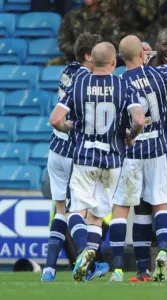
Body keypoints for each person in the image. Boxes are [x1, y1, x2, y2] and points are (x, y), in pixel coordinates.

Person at [49, 41, 145, 282]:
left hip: (84, 158)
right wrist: (130, 136)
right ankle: (89, 259)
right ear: (114, 62)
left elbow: (55, 119)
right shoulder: (123, 83)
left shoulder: (80, 82)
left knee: (75, 212)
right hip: (113, 160)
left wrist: (69, 126)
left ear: (92, 60)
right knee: (97, 217)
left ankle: (83, 252)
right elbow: (140, 120)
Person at [109, 35, 167, 282]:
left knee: (126, 208)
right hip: (159, 147)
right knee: (160, 204)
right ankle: (164, 253)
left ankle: (124, 269)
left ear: (120, 58)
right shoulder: (159, 74)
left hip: (133, 150)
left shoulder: (120, 82)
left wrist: (129, 136)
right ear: (141, 54)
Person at [41, 32, 104, 282]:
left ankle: (49, 269)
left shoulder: (69, 69)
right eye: (96, 51)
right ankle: (88, 264)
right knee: (75, 211)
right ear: (89, 55)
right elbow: (68, 117)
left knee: (60, 210)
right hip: (70, 151)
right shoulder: (86, 78)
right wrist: (72, 126)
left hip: (54, 150)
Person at [48, 0, 120, 65]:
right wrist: (80, 51)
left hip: (99, 61)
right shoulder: (72, 15)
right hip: (73, 59)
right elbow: (63, 42)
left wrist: (93, 53)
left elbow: (112, 44)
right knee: (50, 65)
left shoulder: (108, 18)